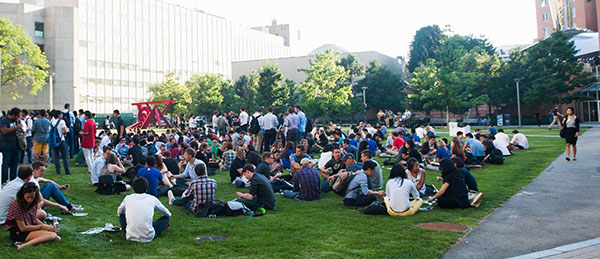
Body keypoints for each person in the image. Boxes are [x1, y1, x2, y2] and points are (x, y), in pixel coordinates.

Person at [5, 182, 61, 250]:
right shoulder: (17, 204)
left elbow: (33, 218)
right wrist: (41, 226)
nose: (30, 200)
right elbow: (22, 228)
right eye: (28, 197)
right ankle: (22, 245)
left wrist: (47, 227)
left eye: (32, 197)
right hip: (18, 231)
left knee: (57, 238)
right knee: (53, 235)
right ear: (23, 195)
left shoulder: (34, 202)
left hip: (29, 225)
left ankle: (24, 243)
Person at [117, 177, 171, 243]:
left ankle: (132, 229)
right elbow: (167, 213)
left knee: (121, 214)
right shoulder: (152, 199)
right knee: (166, 218)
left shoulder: (128, 198)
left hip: (130, 235)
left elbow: (119, 212)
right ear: (146, 189)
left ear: (133, 188)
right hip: (148, 236)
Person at [1, 108, 22, 183]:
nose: (18, 117)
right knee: (6, 162)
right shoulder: (4, 120)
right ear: (13, 115)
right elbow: (4, 131)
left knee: (15, 162)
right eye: (18, 116)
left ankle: (13, 178)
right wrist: (16, 127)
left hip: (15, 144)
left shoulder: (16, 121)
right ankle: (4, 179)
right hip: (6, 144)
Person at [50, 110, 71, 175]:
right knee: (65, 157)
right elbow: (64, 130)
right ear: (59, 115)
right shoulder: (61, 121)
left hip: (54, 141)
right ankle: (67, 171)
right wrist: (67, 130)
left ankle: (58, 171)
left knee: (56, 157)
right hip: (61, 140)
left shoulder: (51, 122)